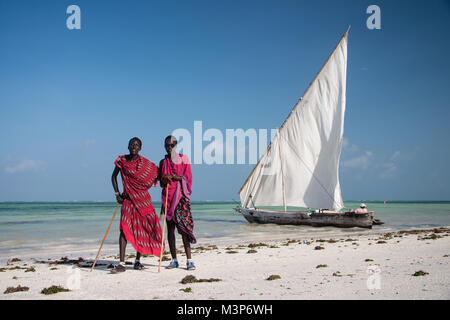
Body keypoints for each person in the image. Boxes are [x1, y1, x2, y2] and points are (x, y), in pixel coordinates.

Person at [111, 137, 163, 273]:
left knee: (142, 229)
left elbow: (157, 173)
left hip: (142, 199)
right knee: (124, 228)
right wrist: (117, 194)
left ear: (140, 148)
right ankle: (121, 263)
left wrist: (169, 176)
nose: (134, 146)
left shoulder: (144, 164)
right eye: (132, 144)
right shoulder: (121, 161)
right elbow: (113, 177)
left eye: (137, 145)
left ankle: (137, 261)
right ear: (128, 146)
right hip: (128, 200)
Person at [159, 135, 196, 270]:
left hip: (180, 198)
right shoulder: (163, 162)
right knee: (170, 230)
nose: (169, 148)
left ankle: (189, 260)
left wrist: (173, 177)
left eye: (172, 145)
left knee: (184, 229)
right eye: (167, 145)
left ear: (176, 145)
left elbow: (188, 178)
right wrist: (165, 178)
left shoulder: (183, 159)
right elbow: (161, 182)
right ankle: (174, 260)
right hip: (167, 198)